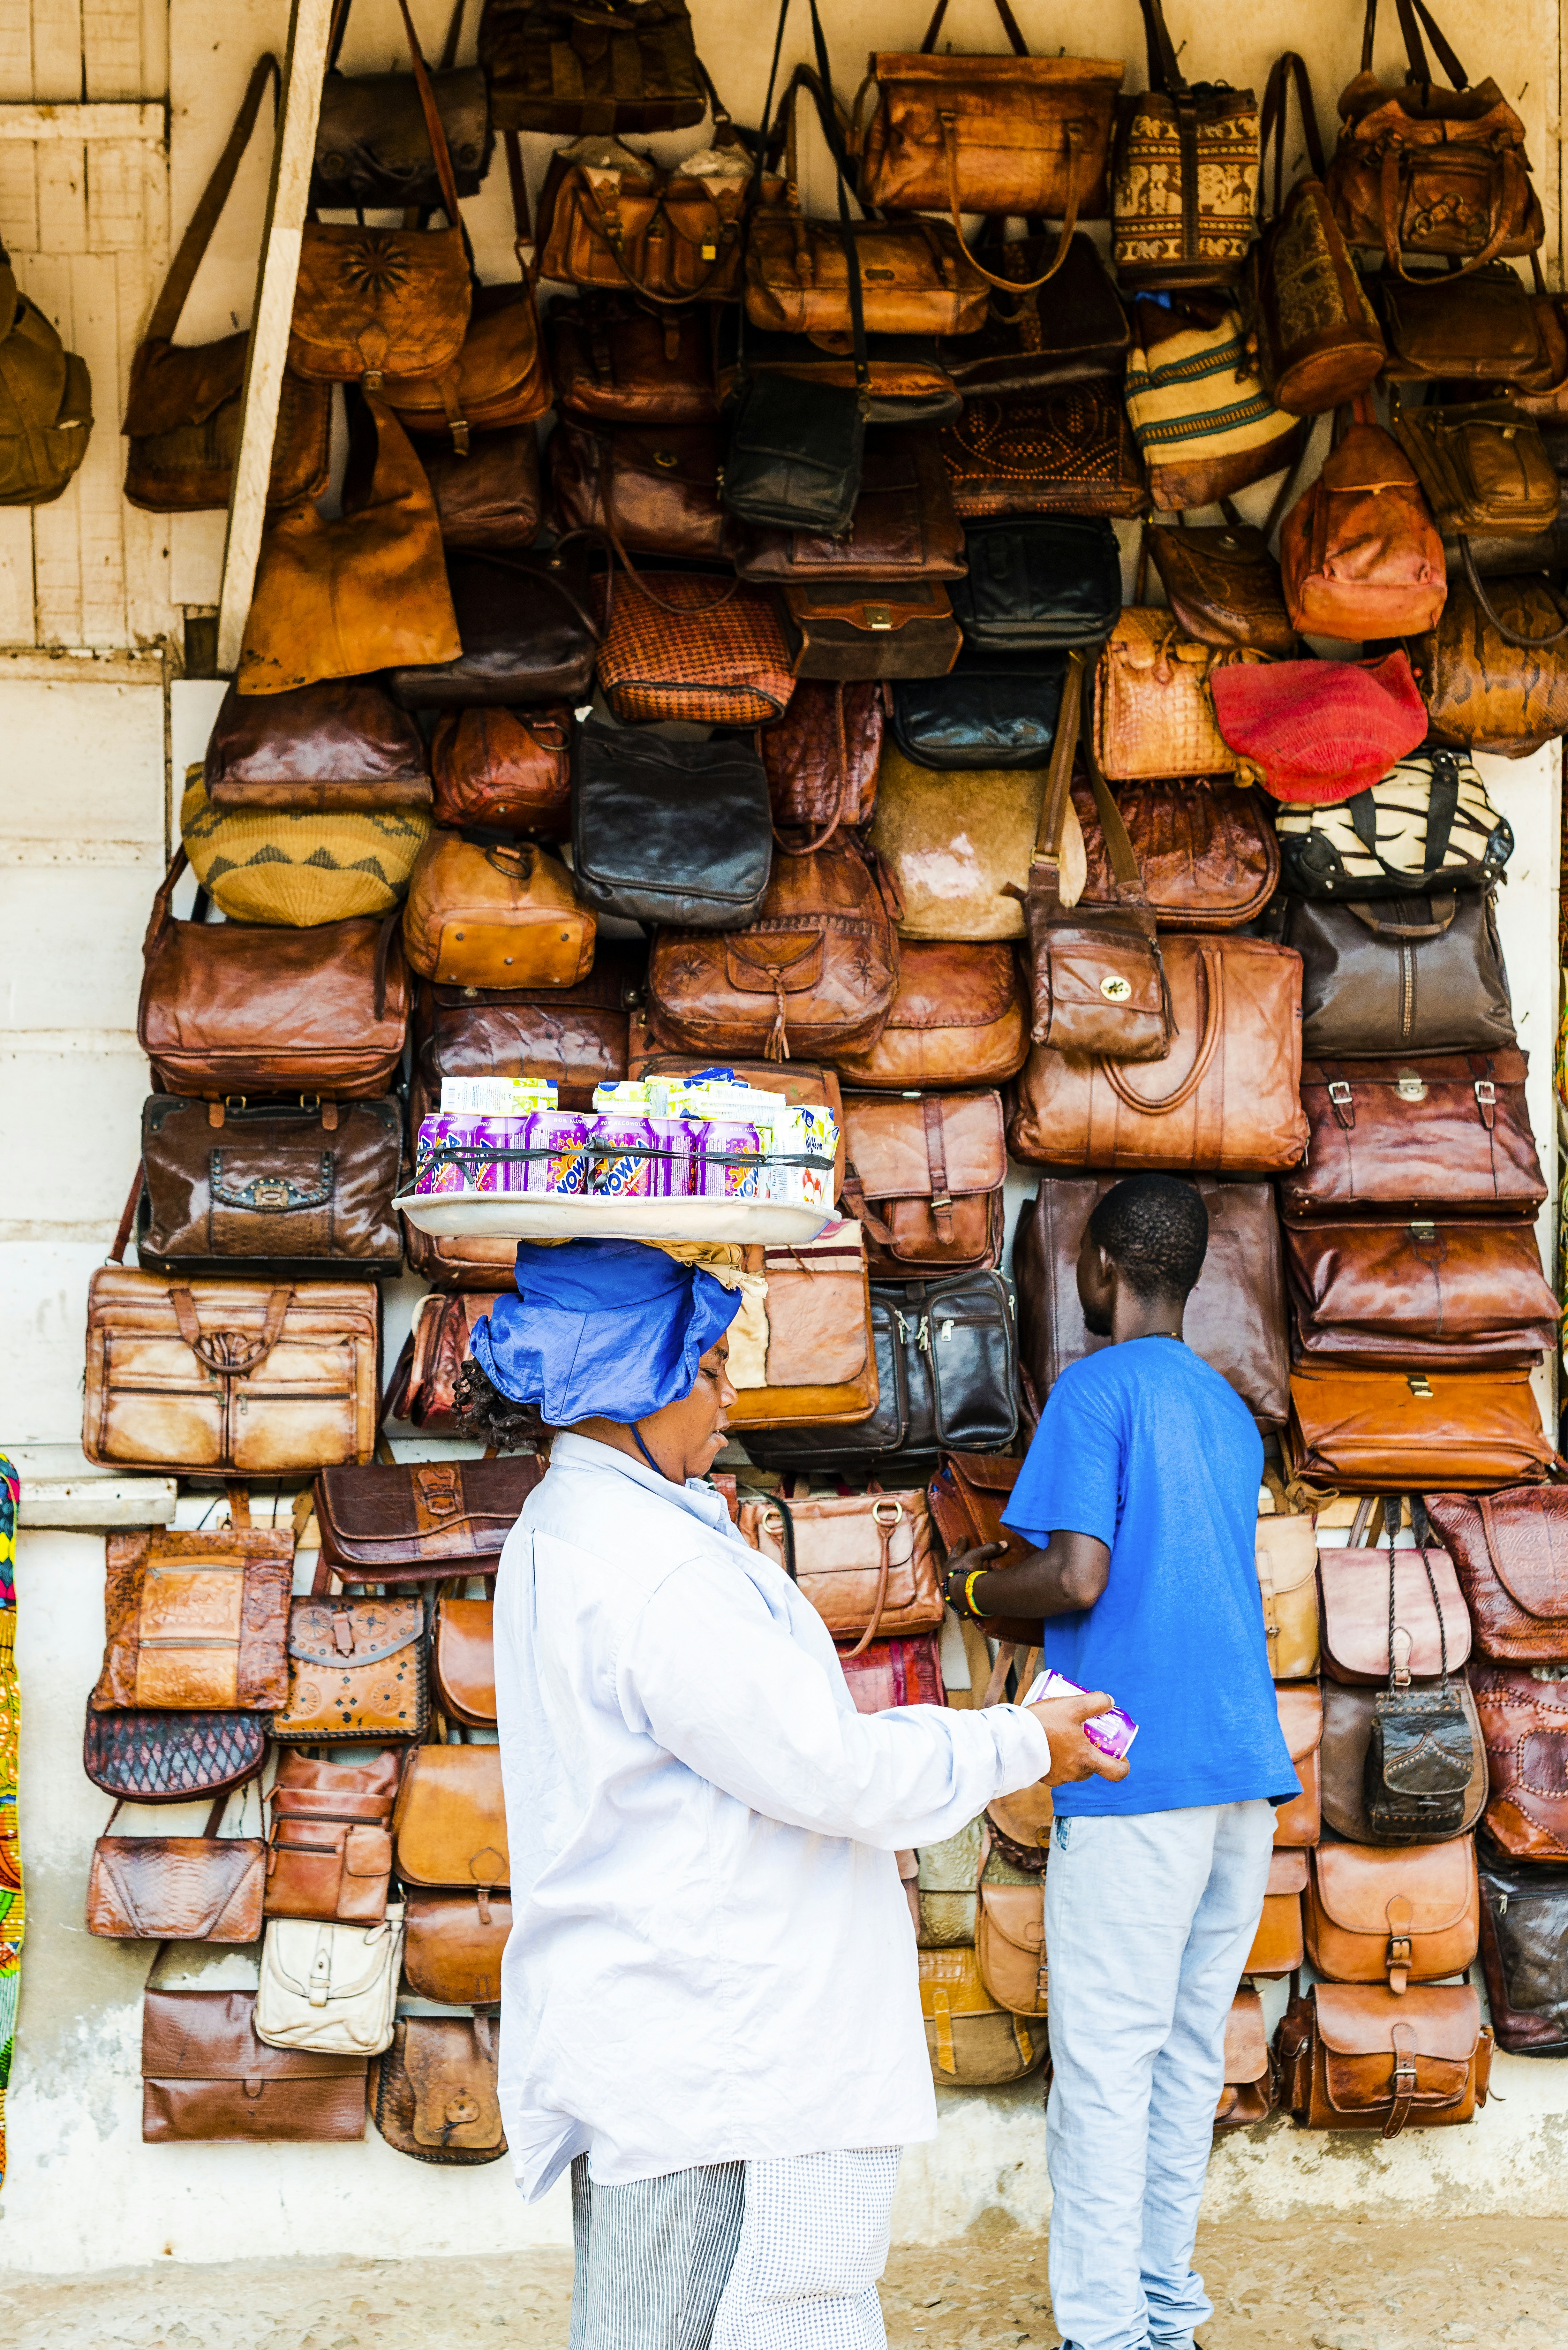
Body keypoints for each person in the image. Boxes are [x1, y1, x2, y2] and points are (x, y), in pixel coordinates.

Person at [459, 1237, 1130, 2350]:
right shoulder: (653, 1572)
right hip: (720, 2066)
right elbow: (832, 1772)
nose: (730, 1398)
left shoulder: (581, 1528)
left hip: (683, 2044)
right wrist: (1021, 1746)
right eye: (712, 1367)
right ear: (641, 1380)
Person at [942, 1174, 1298, 2350]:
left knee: (1105, 2067)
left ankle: (1102, 2335)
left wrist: (980, 1586)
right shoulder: (1230, 1410)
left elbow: (1082, 1578)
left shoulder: (1095, 1393)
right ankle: (1165, 2314)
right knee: (1188, 2058)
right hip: (1240, 1771)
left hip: (1132, 1774)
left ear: (1097, 1269)